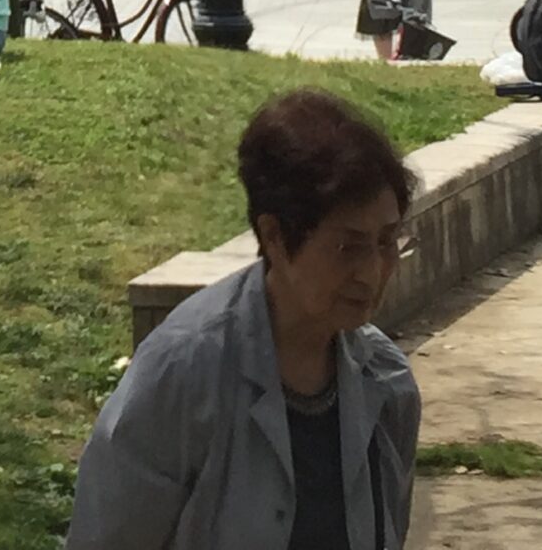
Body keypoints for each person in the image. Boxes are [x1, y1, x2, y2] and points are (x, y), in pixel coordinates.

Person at [66, 87, 420, 548]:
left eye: (387, 241)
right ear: (274, 236)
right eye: (347, 247)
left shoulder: (387, 385)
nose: (372, 272)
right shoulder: (183, 375)